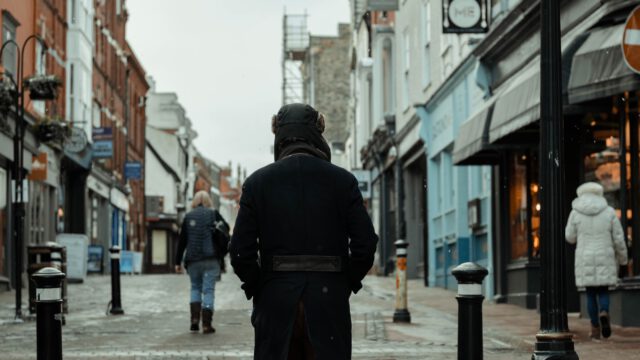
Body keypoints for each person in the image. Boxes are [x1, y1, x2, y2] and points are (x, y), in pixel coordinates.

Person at [230, 103, 378, 359]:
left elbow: (240, 251)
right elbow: (365, 244)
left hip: (276, 300)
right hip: (328, 300)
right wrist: (345, 282)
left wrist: (260, 287)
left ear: (279, 134)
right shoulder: (343, 181)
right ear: (317, 133)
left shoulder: (257, 183)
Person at [565, 182, 628, 339]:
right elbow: (619, 238)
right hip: (604, 255)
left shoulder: (575, 213)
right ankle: (604, 311)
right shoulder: (609, 211)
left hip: (585, 257)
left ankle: (594, 328)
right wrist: (623, 260)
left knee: (590, 294)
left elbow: (570, 237)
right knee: (603, 290)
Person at [175, 190, 230, 334]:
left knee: (195, 288)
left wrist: (177, 262)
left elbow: (182, 242)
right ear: (208, 201)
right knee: (208, 290)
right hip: (211, 258)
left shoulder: (188, 216)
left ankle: (194, 320)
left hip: (193, 260)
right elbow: (226, 229)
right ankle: (206, 324)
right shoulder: (214, 214)